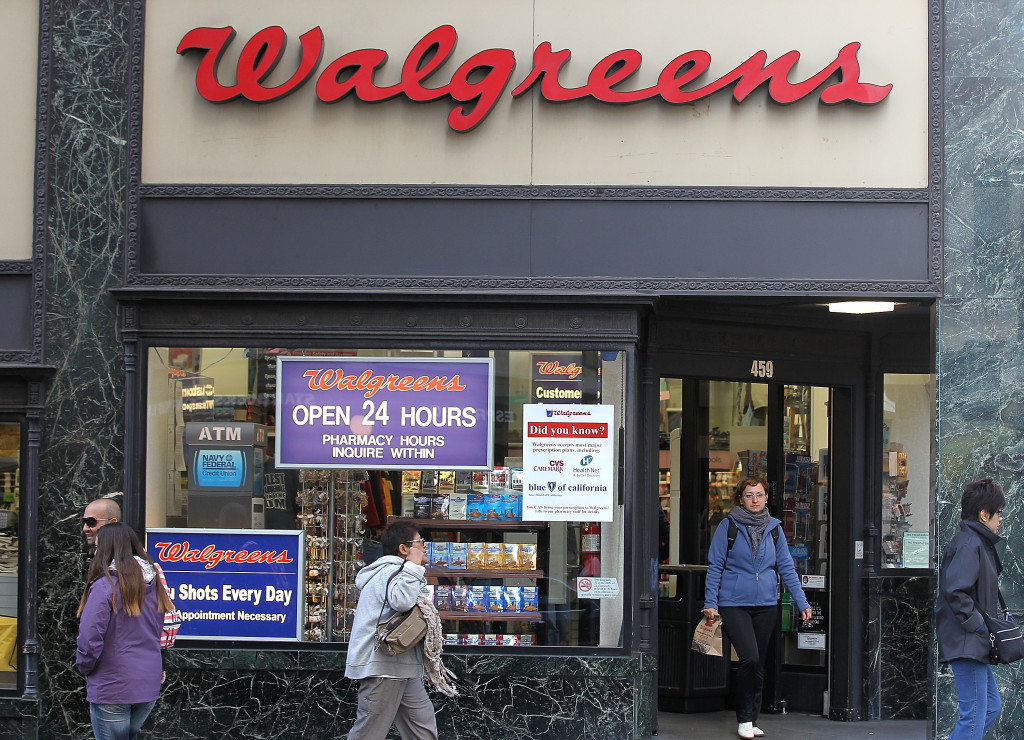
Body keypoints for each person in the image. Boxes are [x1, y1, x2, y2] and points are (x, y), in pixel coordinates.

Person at [703, 476, 812, 740]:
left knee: (759, 663)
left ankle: (752, 718)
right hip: (733, 604)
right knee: (749, 658)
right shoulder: (727, 527)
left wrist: (802, 602)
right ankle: (743, 718)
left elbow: (786, 567)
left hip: (766, 604)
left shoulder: (774, 529)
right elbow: (715, 566)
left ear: (765, 498)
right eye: (749, 495)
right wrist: (710, 602)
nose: (754, 500)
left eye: (759, 495)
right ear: (740, 498)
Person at [76, 522, 173, 740]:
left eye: (98, 548)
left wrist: (84, 666)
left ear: (108, 550)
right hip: (148, 683)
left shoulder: (105, 586)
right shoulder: (154, 584)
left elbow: (90, 638)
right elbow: (161, 629)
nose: (95, 552)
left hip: (112, 684)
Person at [345, 520, 438, 740]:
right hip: (383, 668)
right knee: (368, 733)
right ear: (404, 549)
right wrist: (414, 566)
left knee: (422, 729)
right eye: (420, 542)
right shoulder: (390, 571)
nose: (425, 546)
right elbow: (402, 601)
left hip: (400, 667)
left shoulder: (398, 571)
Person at [936, 477, 1007, 740]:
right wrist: (977, 626)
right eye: (998, 512)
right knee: (975, 713)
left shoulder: (976, 541)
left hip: (972, 642)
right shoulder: (969, 544)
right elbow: (955, 591)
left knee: (990, 706)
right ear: (983, 514)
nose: (1001, 518)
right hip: (967, 641)